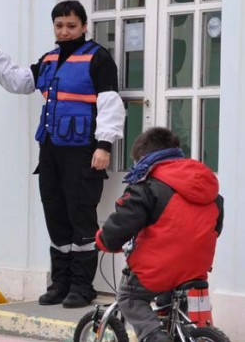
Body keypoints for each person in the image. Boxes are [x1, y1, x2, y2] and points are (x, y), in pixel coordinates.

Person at [0, 0, 125, 308]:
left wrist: (104, 145)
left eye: (71, 26)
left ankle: (82, 286)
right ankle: (60, 282)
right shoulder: (49, 59)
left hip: (84, 152)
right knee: (56, 216)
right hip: (51, 151)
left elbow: (111, 103)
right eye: (59, 26)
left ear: (84, 26)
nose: (64, 31)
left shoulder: (98, 59)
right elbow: (18, 81)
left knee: (81, 217)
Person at [95, 127, 224, 342]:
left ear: (144, 158)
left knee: (130, 297)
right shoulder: (207, 185)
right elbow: (216, 228)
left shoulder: (147, 186)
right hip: (197, 267)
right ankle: (180, 331)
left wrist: (105, 240)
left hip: (161, 267)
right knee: (172, 294)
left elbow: (123, 223)